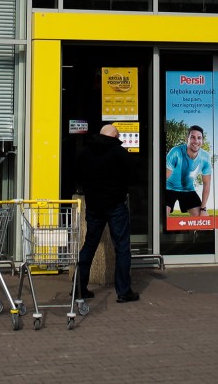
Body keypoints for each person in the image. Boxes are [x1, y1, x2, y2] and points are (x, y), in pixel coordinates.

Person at [75, 124, 139, 303]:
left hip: (94, 205)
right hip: (115, 205)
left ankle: (79, 287)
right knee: (122, 248)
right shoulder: (119, 153)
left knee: (89, 245)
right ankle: (123, 291)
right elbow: (134, 176)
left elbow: (77, 175)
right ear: (115, 137)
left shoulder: (85, 152)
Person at [165, 125, 211, 217]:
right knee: (161, 217)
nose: (196, 141)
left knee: (204, 220)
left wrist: (203, 208)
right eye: (192, 137)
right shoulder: (176, 152)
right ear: (187, 139)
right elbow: (164, 177)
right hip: (168, 188)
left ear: (202, 141)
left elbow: (207, 183)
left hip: (188, 189)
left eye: (199, 138)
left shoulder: (205, 157)